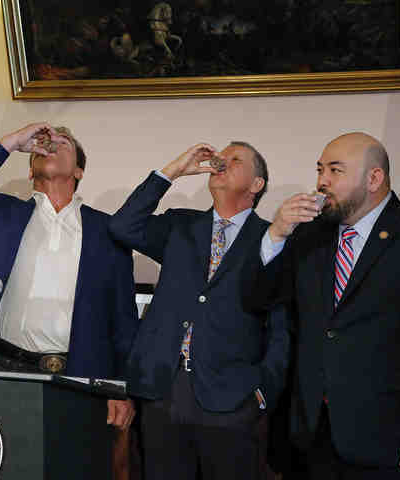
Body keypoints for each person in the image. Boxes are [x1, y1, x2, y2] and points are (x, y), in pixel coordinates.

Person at [108, 142, 290, 480]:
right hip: (163, 390)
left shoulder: (273, 238)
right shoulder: (181, 225)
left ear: (257, 184)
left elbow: (282, 325)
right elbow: (122, 226)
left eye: (235, 160)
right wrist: (173, 170)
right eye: (222, 156)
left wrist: (264, 392)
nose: (222, 162)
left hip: (232, 398)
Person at [0, 122, 139, 431]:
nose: (53, 145)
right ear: (31, 170)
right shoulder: (3, 215)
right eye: (45, 143)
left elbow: (123, 319)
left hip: (81, 376)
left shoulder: (108, 230)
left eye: (65, 143)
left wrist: (120, 387)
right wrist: (11, 142)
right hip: (6, 370)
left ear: (79, 171)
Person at [244, 132, 400, 479]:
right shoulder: (310, 235)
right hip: (312, 434)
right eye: (320, 170)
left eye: (335, 171)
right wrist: (276, 234)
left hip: (389, 438)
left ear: (374, 178)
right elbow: (257, 298)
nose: (321, 181)